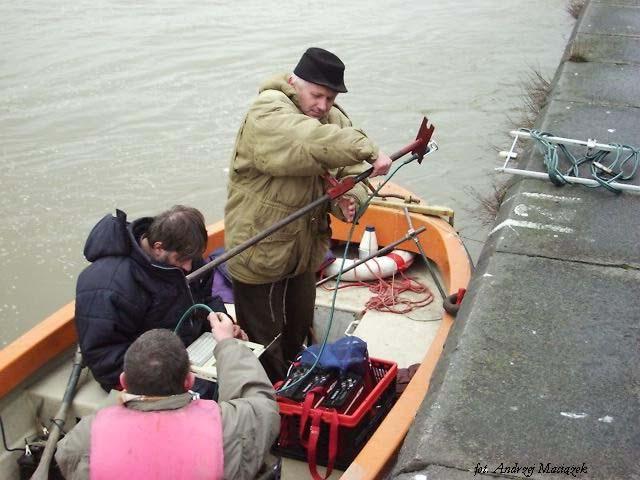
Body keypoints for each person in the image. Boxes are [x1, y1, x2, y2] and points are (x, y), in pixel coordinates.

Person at [224, 46, 392, 381]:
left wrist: (349, 198)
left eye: (330, 99)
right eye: (317, 95)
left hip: (303, 252)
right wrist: (369, 148)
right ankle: (272, 401)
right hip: (261, 253)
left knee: (298, 331)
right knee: (265, 345)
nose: (322, 106)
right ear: (293, 82)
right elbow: (310, 143)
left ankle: (299, 379)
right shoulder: (268, 110)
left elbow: (353, 169)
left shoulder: (329, 116)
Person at [55, 314, 280, 480]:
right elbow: (261, 403)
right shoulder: (228, 425)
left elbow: (65, 457)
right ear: (189, 381)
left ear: (124, 382)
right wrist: (226, 343)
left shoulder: (87, 435)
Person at [74, 205, 236, 396]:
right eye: (182, 259)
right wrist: (170, 367)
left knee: (241, 363)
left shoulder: (186, 256)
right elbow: (104, 358)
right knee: (217, 391)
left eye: (193, 258)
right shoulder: (107, 284)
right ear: (158, 247)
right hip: (148, 372)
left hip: (188, 353)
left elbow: (203, 299)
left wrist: (220, 321)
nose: (189, 266)